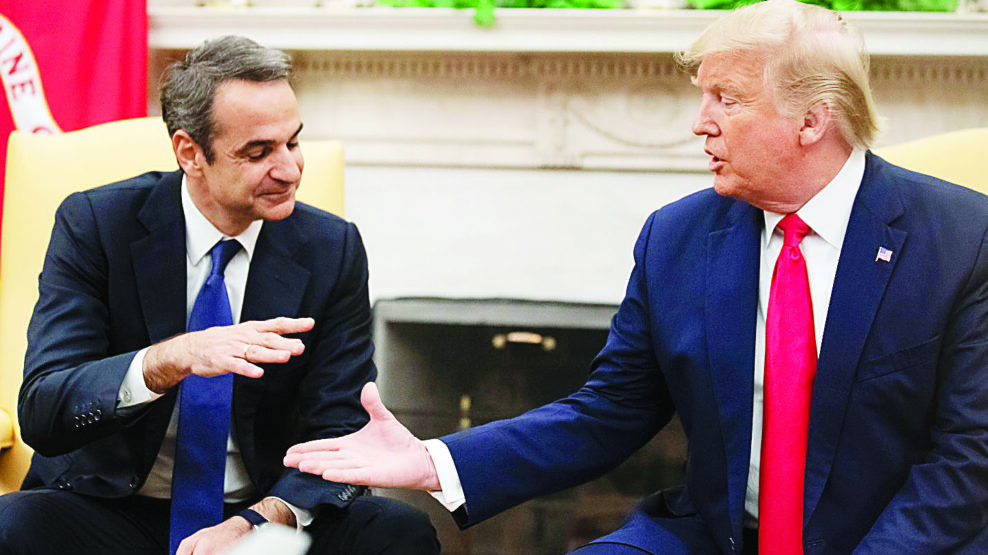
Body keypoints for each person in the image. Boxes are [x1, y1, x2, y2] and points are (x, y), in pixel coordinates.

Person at [284, 1, 988, 553]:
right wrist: (433, 460)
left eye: (727, 99)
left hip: (898, 539)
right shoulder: (678, 238)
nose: (700, 123)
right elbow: (608, 411)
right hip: (716, 536)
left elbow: (968, 455)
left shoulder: (962, 239)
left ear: (811, 120)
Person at [0, 36, 439, 555]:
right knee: (13, 525)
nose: (290, 170)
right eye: (259, 152)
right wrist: (169, 359)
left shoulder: (331, 248)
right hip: (115, 507)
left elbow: (342, 427)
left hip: (263, 515)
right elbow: (45, 408)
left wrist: (256, 523)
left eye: (293, 143)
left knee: (399, 532)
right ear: (190, 153)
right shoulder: (98, 224)